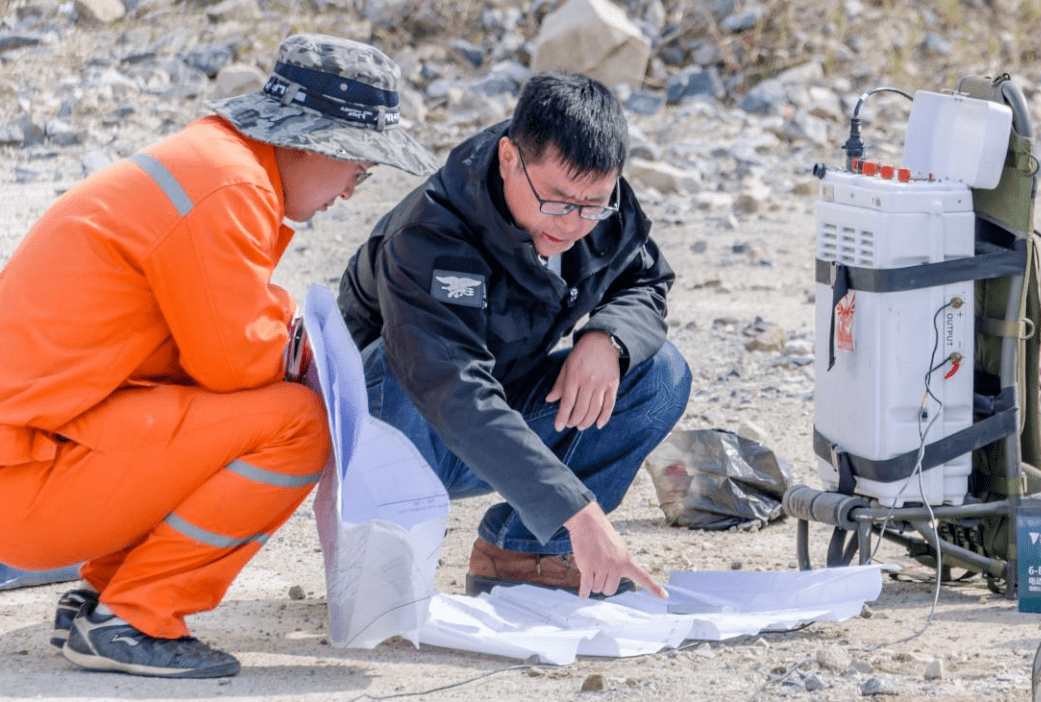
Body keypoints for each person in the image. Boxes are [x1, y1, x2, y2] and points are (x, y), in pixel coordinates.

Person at [0, 34, 436, 678]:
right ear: (308, 141)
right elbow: (233, 364)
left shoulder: (214, 165)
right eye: (358, 168)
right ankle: (134, 617)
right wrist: (298, 351)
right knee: (298, 424)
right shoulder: (228, 186)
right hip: (29, 484)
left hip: (35, 458)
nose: (351, 191)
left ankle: (103, 599)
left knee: (234, 409)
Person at [338, 72, 692, 600]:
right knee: (393, 364)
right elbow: (452, 387)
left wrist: (608, 339)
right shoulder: (430, 233)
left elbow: (643, 281)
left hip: (494, 406)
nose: (574, 223)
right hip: (400, 422)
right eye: (558, 201)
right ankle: (386, 551)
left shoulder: (599, 204)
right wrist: (577, 509)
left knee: (660, 373)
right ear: (510, 159)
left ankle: (523, 552)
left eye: (593, 203)